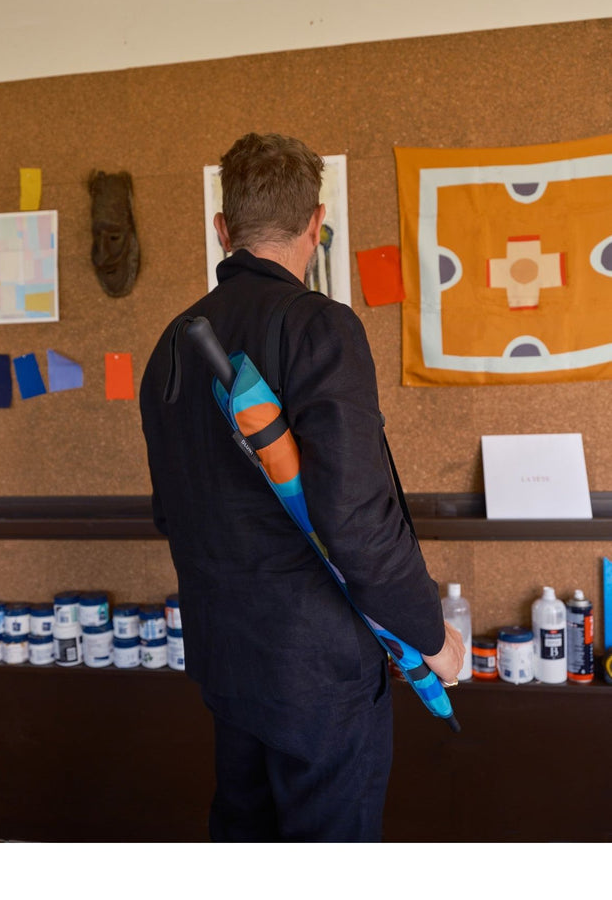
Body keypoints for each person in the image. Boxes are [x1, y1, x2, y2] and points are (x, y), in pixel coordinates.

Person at [139, 132, 464, 843]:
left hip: (227, 661)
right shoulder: (319, 325)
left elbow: (174, 513)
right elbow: (352, 517)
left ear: (222, 230)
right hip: (319, 670)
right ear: (318, 226)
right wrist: (428, 634)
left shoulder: (169, 345)